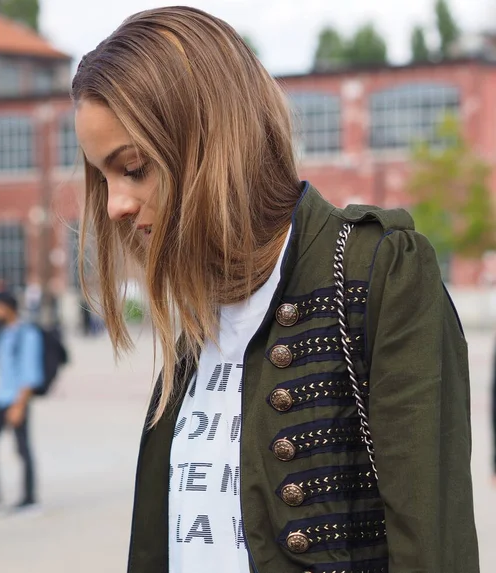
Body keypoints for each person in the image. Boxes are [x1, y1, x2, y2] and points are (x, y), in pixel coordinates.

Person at [72, 7, 479, 573]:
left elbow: (433, 549)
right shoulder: (199, 312)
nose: (115, 203)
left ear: (208, 141)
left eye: (135, 167)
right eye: (104, 177)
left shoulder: (379, 272)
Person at [0, 292, 43, 514]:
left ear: (9, 308)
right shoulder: (1, 333)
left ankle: (29, 498)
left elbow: (31, 373)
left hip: (16, 399)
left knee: (22, 449)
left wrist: (19, 406)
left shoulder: (28, 334)